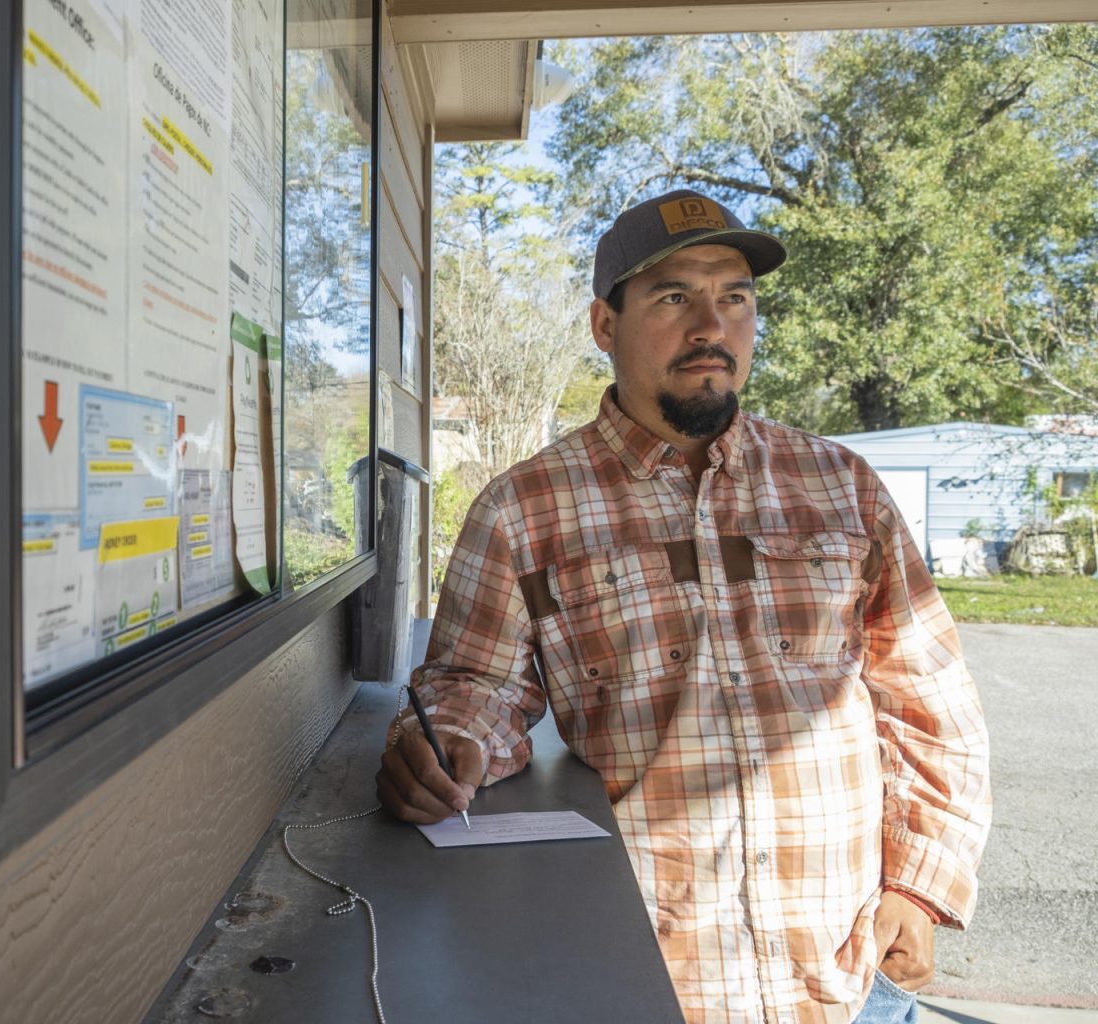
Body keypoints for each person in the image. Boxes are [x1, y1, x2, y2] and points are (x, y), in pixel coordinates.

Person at [377, 189, 992, 1024]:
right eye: (674, 297)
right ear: (605, 325)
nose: (712, 325)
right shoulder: (523, 511)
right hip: (650, 980)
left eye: (734, 297)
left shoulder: (841, 488)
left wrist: (921, 883)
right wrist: (445, 746)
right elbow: (476, 687)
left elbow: (929, 703)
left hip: (848, 977)